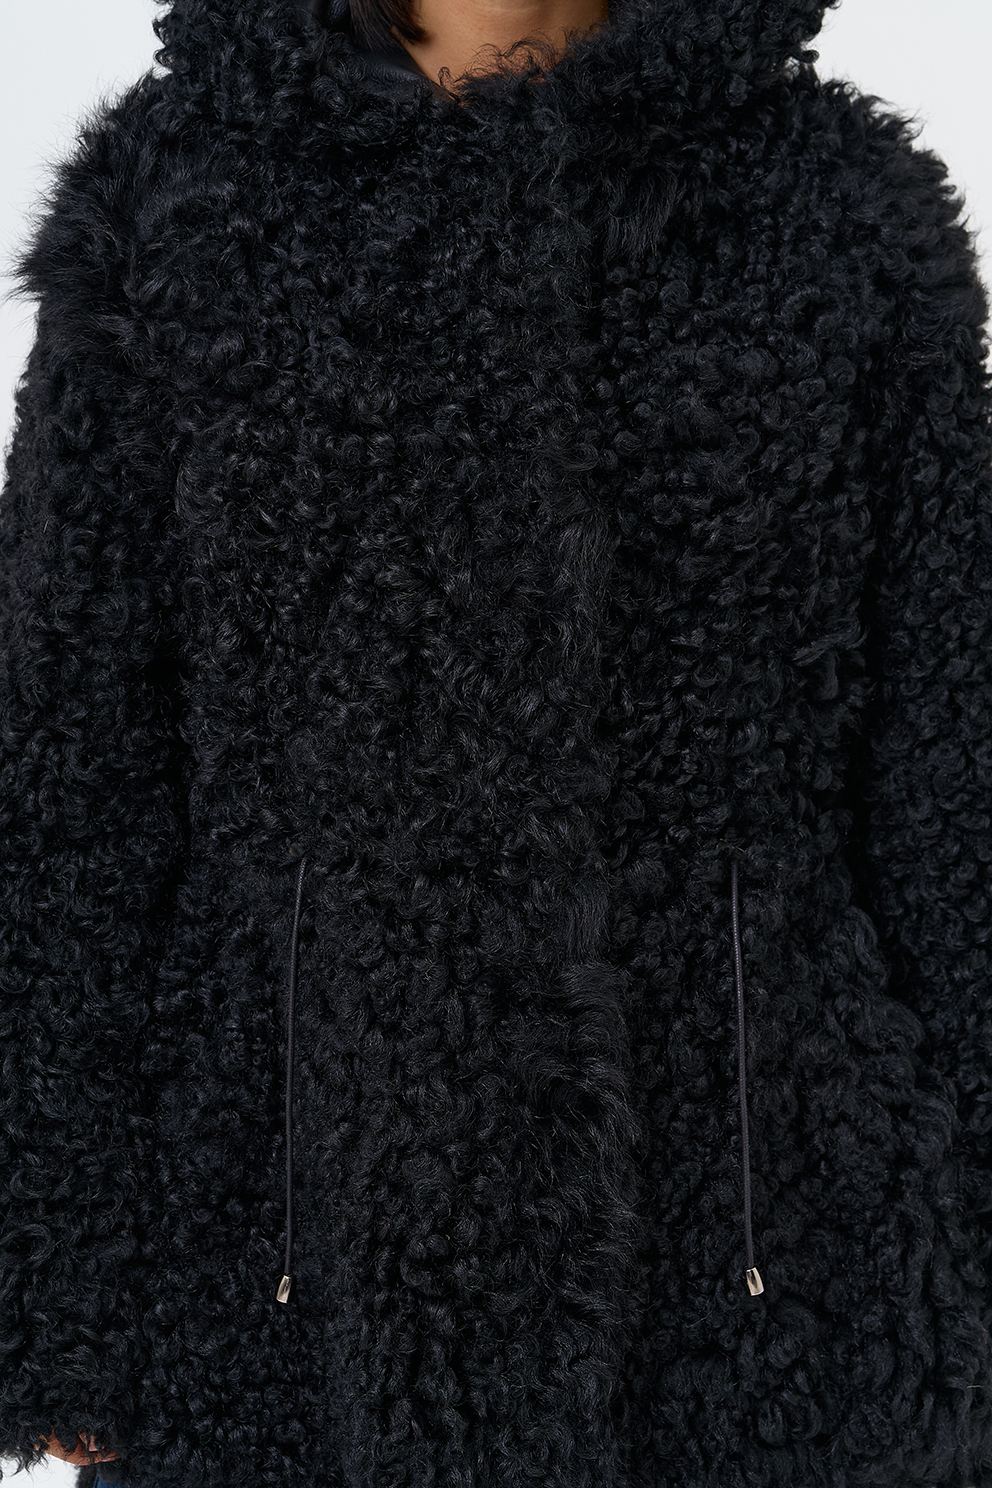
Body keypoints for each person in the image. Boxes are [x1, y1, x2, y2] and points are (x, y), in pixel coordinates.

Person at [1, 0, 991, 1483]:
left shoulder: (837, 207)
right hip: (276, 1262)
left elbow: (953, 766)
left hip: (768, 1260)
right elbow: (66, 768)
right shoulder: (175, 201)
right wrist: (54, 1291)